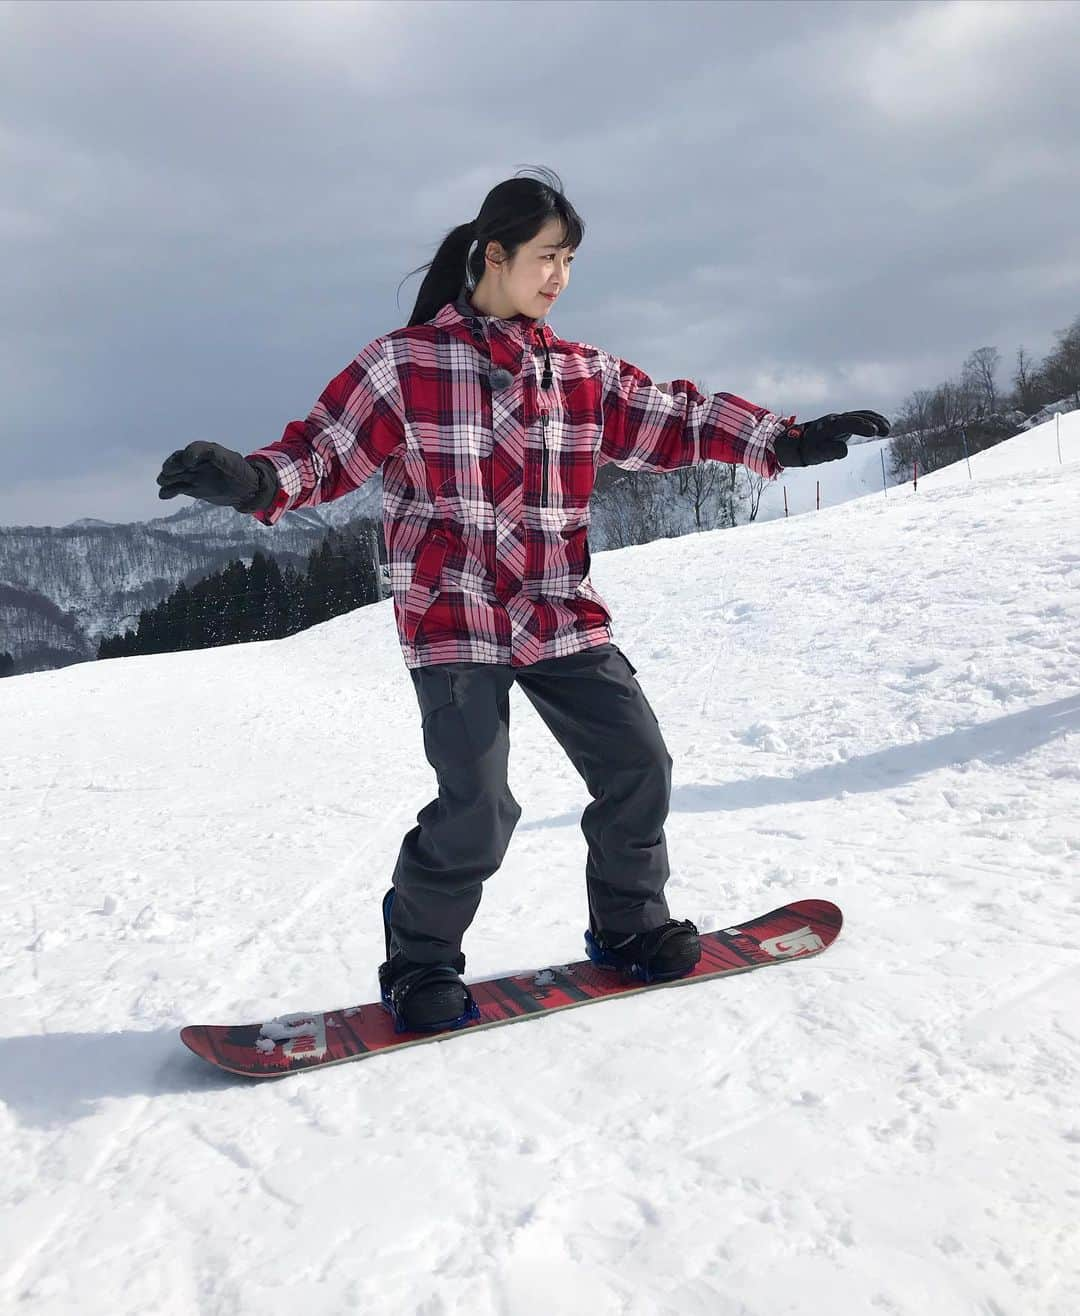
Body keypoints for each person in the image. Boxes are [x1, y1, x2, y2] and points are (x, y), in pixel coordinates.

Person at [156, 166, 889, 1033]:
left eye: (570, 261)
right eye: (546, 256)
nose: (558, 277)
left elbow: (679, 419)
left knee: (638, 765)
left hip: (557, 608)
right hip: (453, 618)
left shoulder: (579, 374)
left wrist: (788, 442)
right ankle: (420, 965)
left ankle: (628, 926)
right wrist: (249, 482)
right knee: (479, 808)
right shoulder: (403, 366)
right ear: (492, 255)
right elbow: (323, 452)